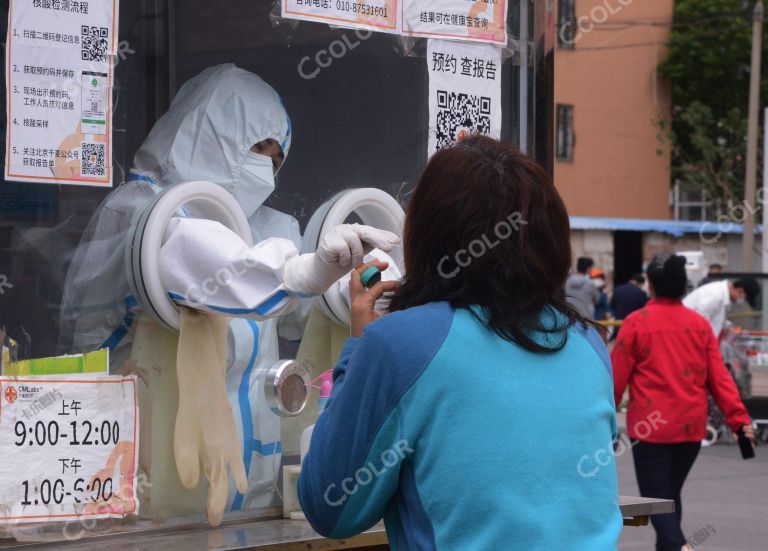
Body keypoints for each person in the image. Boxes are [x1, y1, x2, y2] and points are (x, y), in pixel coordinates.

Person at [59, 63, 398, 510]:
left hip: (254, 488)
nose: (268, 170)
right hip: (156, 484)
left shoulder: (261, 226)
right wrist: (301, 272)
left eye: (277, 158)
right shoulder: (141, 211)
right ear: (209, 132)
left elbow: (306, 300)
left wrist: (368, 274)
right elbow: (205, 264)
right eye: (258, 148)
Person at [298, 136, 622, 549]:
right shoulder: (587, 343)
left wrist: (360, 346)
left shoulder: (401, 345)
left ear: (428, 236)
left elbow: (332, 508)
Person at [611, 253, 753, 551]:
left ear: (649, 284)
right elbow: (720, 380)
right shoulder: (699, 325)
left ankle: (680, 547)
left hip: (650, 430)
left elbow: (614, 380)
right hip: (690, 428)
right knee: (669, 498)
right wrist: (739, 422)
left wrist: (605, 426)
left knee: (655, 502)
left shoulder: (637, 323)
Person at [682, 277, 760, 339]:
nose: (742, 302)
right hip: (686, 338)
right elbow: (699, 320)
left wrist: (728, 327)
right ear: (740, 291)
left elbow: (714, 317)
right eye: (745, 299)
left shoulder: (721, 296)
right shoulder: (716, 295)